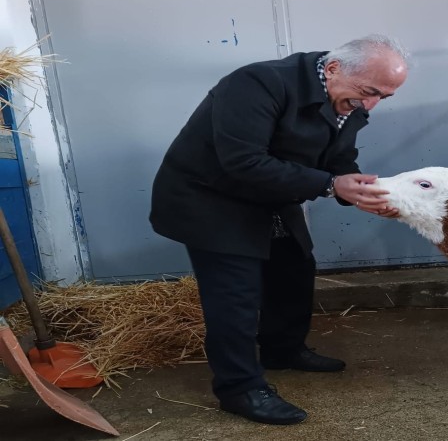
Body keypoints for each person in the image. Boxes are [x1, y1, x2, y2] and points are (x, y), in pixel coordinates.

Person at [149, 34, 408, 425]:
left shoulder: (348, 94)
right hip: (211, 196)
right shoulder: (256, 83)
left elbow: (339, 156)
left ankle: (282, 350)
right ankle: (239, 387)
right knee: (235, 294)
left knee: (294, 269)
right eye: (369, 92)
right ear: (335, 68)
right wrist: (328, 185)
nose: (370, 105)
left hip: (271, 193)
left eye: (382, 98)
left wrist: (360, 190)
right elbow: (243, 160)